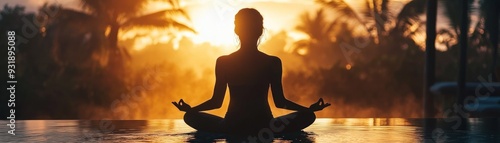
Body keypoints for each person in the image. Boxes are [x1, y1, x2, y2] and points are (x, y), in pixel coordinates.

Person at [172, 8, 330, 135]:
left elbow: (216, 102)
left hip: (231, 127)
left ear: (236, 30)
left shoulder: (223, 62)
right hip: (266, 127)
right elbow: (280, 102)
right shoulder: (272, 62)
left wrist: (190, 110)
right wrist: (308, 110)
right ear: (260, 31)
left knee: (189, 117)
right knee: (309, 116)